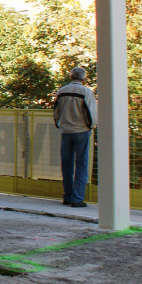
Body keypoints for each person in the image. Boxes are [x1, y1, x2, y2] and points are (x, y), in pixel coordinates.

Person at [53, 66, 98, 208]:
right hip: (81, 130)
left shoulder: (61, 91)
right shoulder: (86, 91)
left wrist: (60, 125)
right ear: (83, 78)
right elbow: (91, 113)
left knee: (66, 164)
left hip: (66, 131)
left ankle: (67, 196)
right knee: (81, 164)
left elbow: (56, 111)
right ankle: (77, 199)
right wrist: (90, 126)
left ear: (71, 77)